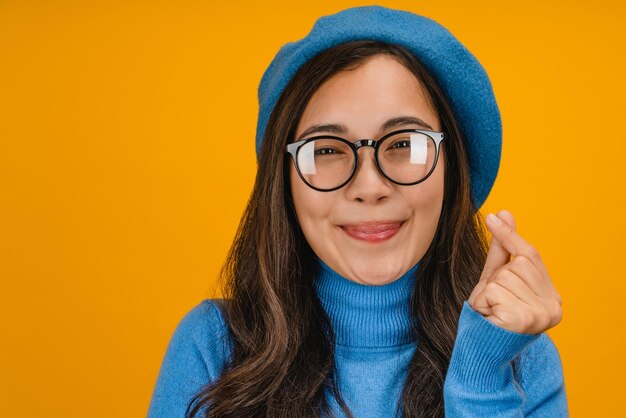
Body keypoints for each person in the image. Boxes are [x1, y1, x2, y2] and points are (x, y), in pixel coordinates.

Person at [147, 5, 568, 417]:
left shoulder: (519, 357)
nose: (369, 188)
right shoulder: (211, 347)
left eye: (404, 143)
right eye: (326, 149)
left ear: (451, 171)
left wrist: (481, 379)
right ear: (285, 182)